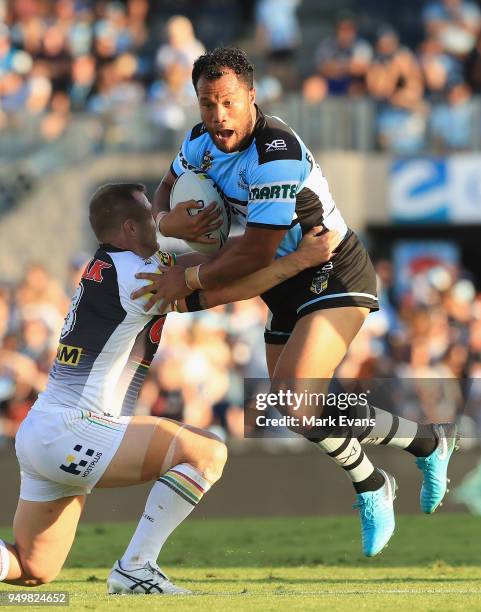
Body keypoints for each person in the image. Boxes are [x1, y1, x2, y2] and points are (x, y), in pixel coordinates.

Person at [137, 47, 459, 557]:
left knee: (293, 396)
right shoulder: (199, 142)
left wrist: (192, 279)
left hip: (331, 267)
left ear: (251, 97)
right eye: (206, 103)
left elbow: (258, 250)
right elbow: (164, 189)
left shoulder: (275, 153)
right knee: (300, 410)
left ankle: (373, 486)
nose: (218, 116)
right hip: (282, 280)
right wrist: (164, 223)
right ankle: (425, 444)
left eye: (227, 102)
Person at [0, 182, 337, 594]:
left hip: (47, 430)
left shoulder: (122, 265)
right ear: (128, 228)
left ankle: (134, 568)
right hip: (75, 428)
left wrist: (239, 236)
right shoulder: (139, 274)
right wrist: (298, 259)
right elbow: (227, 287)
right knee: (206, 452)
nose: (156, 222)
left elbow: (207, 259)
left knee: (33, 568)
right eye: (147, 217)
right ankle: (136, 568)